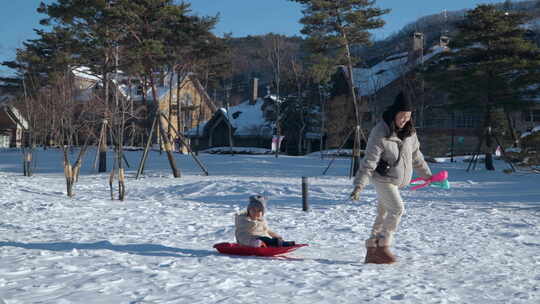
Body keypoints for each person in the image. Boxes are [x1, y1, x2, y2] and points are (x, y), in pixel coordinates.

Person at [350, 91, 432, 264]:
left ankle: (372, 250)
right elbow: (369, 161)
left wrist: (428, 175)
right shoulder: (380, 132)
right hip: (382, 178)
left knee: (383, 213)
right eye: (401, 116)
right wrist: (359, 186)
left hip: (395, 181)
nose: (404, 120)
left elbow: (416, 155)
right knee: (397, 209)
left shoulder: (410, 132)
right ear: (394, 113)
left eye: (408, 116)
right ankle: (383, 246)